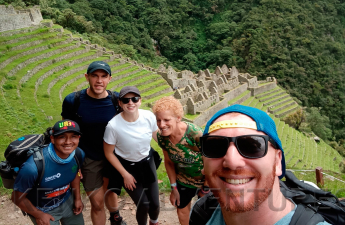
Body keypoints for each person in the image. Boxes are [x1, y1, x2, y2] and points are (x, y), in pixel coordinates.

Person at [190, 104, 331, 225]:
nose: (232, 161)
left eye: (252, 146)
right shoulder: (201, 213)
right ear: (203, 162)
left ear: (277, 162)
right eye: (214, 147)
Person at [61, 61, 125, 225]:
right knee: (97, 204)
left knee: (110, 193)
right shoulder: (73, 101)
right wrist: (74, 162)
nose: (99, 81)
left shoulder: (117, 100)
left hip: (113, 157)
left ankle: (115, 215)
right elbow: (68, 135)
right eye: (94, 76)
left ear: (110, 79)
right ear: (87, 77)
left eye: (104, 76)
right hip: (89, 159)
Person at [103, 86, 160, 225]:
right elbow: (108, 153)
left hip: (147, 163)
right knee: (143, 204)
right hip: (127, 167)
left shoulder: (148, 116)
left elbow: (158, 138)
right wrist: (124, 174)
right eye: (126, 100)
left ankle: (154, 222)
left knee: (155, 204)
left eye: (134, 99)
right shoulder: (113, 126)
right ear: (120, 103)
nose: (131, 103)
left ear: (140, 101)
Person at [12, 120, 85, 225]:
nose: (68, 142)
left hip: (67, 201)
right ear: (52, 139)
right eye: (62, 137)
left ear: (78, 138)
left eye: (73, 136)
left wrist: (77, 199)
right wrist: (39, 215)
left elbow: (74, 174)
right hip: (42, 209)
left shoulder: (78, 154)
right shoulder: (33, 168)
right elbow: (16, 197)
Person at [152, 96, 206, 225]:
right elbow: (169, 161)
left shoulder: (195, 134)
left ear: (178, 118)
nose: (161, 125)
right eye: (158, 120)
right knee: (181, 209)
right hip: (183, 180)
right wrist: (174, 188)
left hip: (204, 179)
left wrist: (207, 187)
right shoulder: (162, 137)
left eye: (166, 120)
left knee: (205, 213)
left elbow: (209, 160)